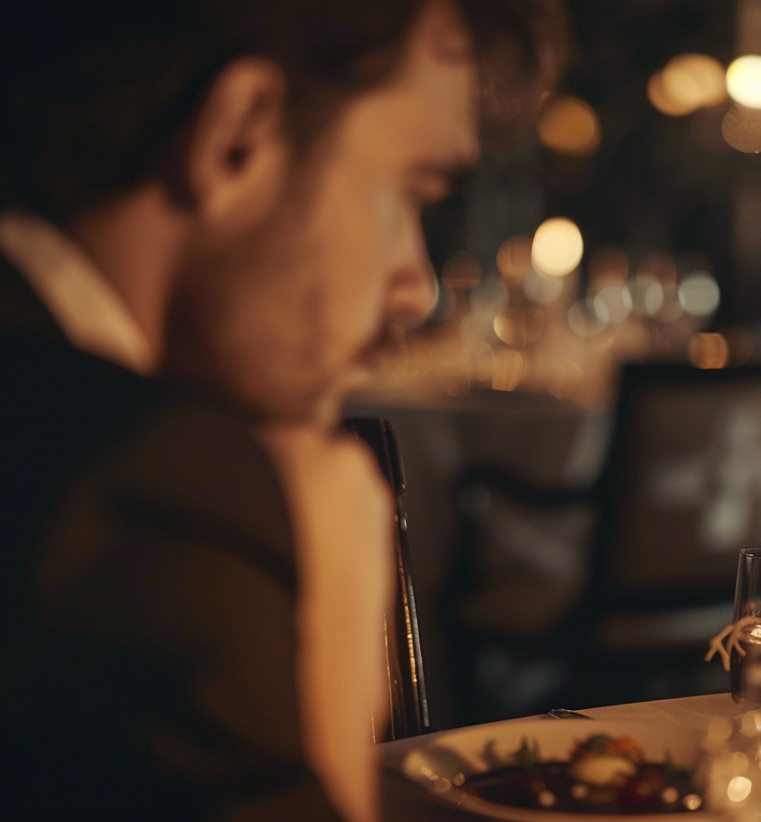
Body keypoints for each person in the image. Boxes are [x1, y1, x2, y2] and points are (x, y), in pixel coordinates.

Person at [0, 0, 559, 819]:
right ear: (238, 139)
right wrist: (330, 630)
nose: (416, 285)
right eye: (407, 191)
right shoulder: (151, 486)